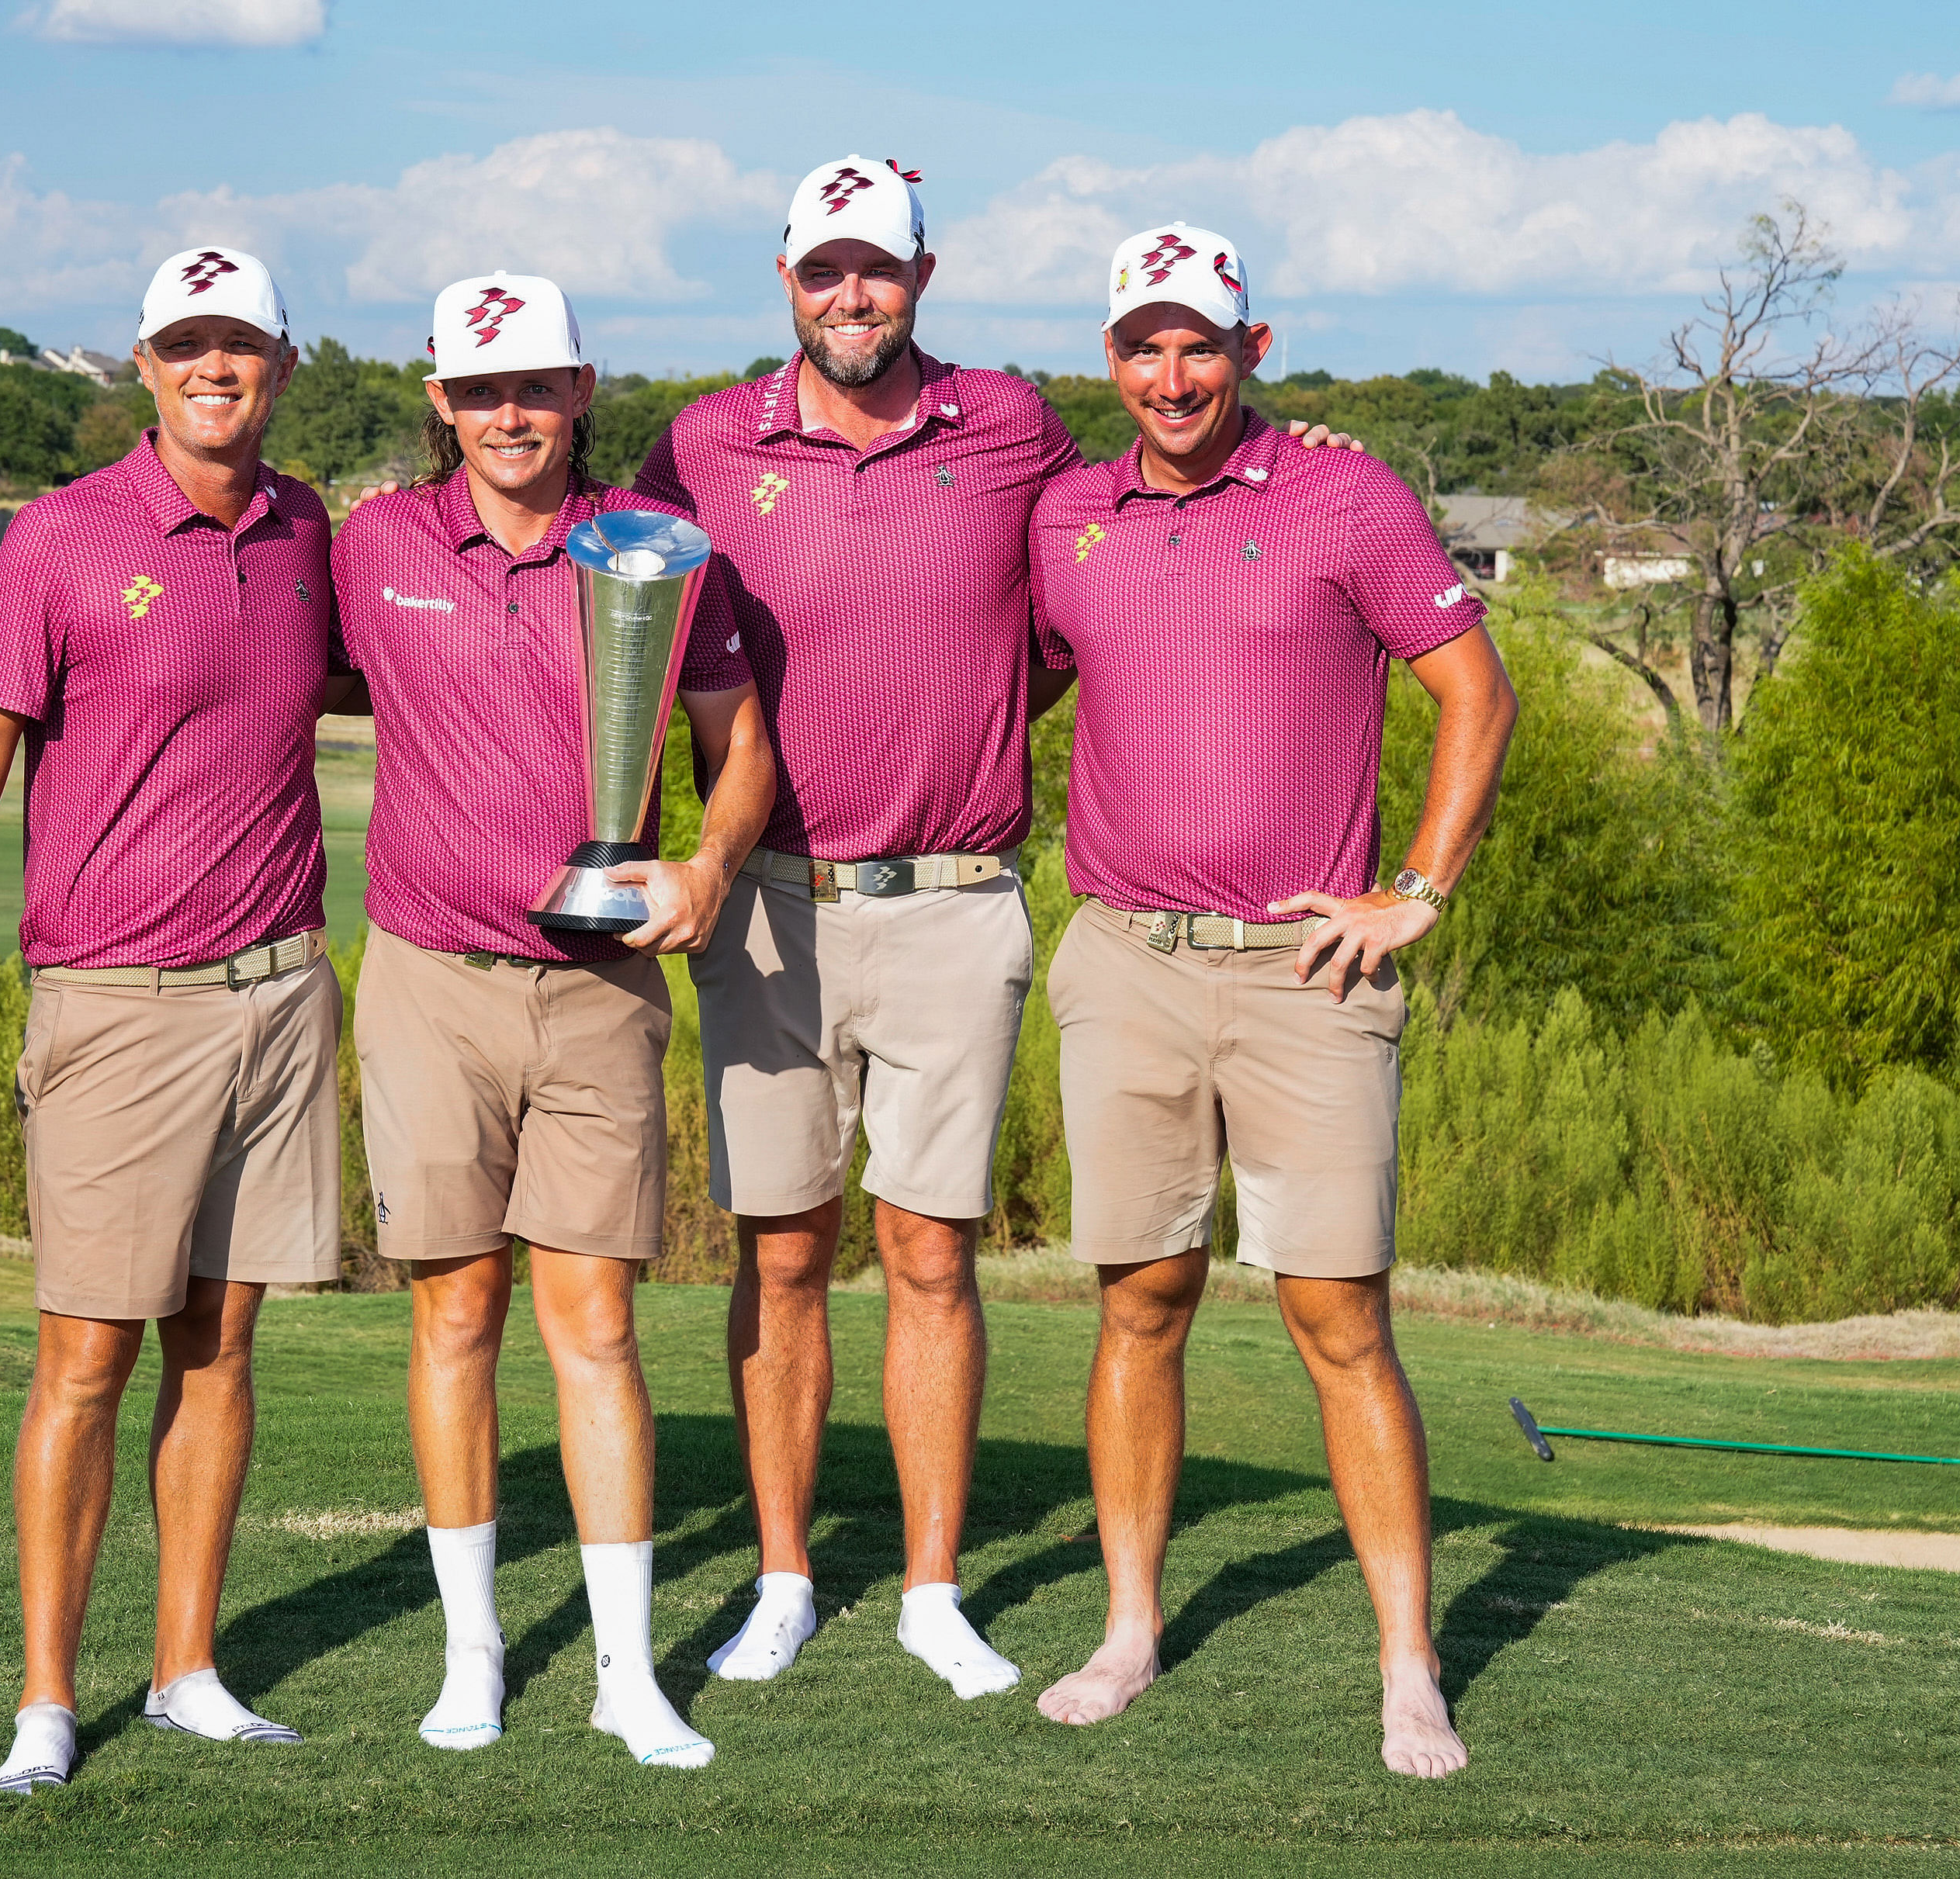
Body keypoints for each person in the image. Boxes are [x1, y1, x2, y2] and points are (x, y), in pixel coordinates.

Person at [632, 157, 1353, 1699]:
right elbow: (591, 570)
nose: (850, 293)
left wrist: (1312, 456)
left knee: (928, 1249)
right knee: (776, 1252)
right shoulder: (700, 440)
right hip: (765, 897)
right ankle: (779, 1574)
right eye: (823, 268)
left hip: (954, 899)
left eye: (876, 269)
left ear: (922, 274)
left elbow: (1152, 488)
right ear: (783, 278)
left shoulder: (1011, 422)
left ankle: (933, 1584)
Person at [1024, 222, 1518, 1777]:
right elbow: (1006, 669)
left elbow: (1473, 691)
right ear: (1107, 359)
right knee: (1137, 1297)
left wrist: (1416, 893)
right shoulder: (1066, 514)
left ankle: (1405, 1662)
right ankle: (1125, 1626)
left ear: (1253, 346)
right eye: (1139, 346)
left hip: (1309, 973)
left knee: (1336, 1314)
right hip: (1123, 961)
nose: (1168, 375)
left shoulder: (1341, 492)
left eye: (1197, 344)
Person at [0, 248, 351, 1795]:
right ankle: (42, 1698)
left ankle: (188, 1667)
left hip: (277, 992)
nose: (213, 369)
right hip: (114, 999)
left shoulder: (304, 530)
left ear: (281, 362)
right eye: (184, 348)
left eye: (239, 346)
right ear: (144, 369)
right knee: (82, 1360)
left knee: (218, 1352)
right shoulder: (61, 536)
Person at [333, 272, 776, 1769]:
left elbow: (740, 752)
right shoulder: (374, 542)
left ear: (582, 388)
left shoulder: (655, 553)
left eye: (533, 383)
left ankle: (622, 1671)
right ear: (438, 400)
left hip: (598, 991)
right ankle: (472, 1658)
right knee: (453, 1314)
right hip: (426, 984)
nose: (506, 412)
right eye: (477, 387)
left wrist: (710, 861)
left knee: (593, 1329)